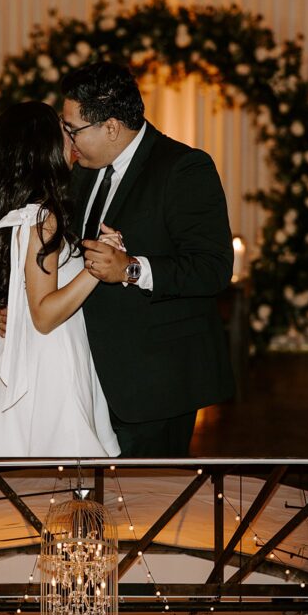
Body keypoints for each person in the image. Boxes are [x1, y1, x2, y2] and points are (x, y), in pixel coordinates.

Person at [63, 61, 235, 457]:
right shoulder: (85, 171)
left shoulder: (183, 168)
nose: (69, 140)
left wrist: (130, 269)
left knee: (149, 502)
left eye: (73, 129)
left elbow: (212, 268)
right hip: (86, 372)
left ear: (110, 127)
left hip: (154, 380)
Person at [0, 101, 120, 457]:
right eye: (64, 131)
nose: (72, 138)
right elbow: (45, 316)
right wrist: (99, 263)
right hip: (51, 356)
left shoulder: (18, 210)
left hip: (26, 351)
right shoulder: (43, 217)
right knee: (63, 464)